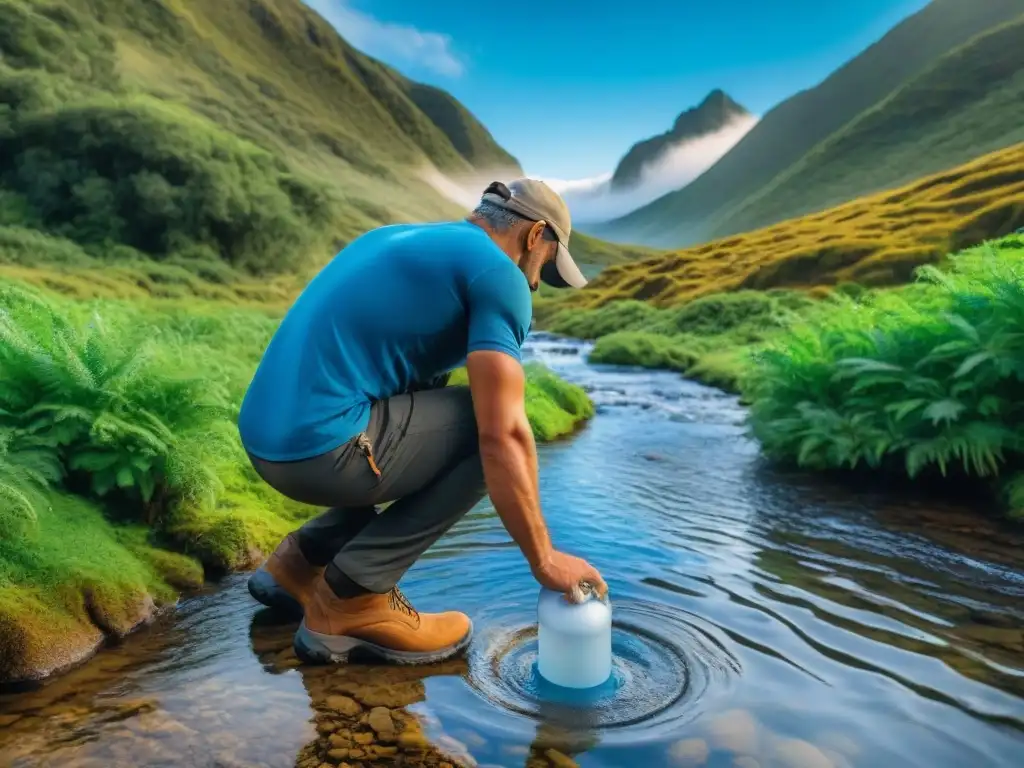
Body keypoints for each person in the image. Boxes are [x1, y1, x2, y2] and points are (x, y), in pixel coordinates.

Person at [237, 178, 608, 666]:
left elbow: (402, 391)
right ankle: (355, 598)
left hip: (267, 440)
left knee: (431, 396)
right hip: (319, 450)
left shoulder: (398, 239)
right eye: (545, 266)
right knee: (488, 426)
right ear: (535, 234)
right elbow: (504, 434)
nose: (537, 283)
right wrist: (544, 558)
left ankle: (302, 563)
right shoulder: (501, 276)